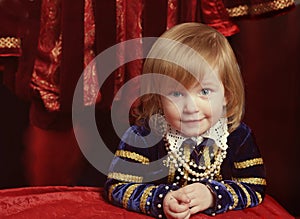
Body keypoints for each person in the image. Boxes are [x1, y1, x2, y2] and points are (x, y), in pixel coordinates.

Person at [104, 22, 266, 219]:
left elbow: (254, 187)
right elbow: (117, 186)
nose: (191, 108)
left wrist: (213, 195)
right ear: (159, 98)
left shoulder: (237, 136)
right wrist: (162, 199)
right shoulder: (144, 135)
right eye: (176, 93)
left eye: (205, 92)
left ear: (227, 96)